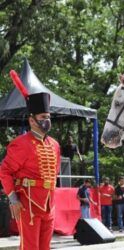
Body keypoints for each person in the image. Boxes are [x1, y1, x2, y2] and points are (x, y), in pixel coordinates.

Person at [0, 71, 61, 250]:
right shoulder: (20, 144)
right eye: (43, 118)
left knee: (45, 247)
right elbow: (4, 171)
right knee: (30, 247)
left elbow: (55, 171)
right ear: (32, 120)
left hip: (49, 203)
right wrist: (13, 199)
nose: (47, 121)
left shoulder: (55, 144)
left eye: (48, 117)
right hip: (28, 203)